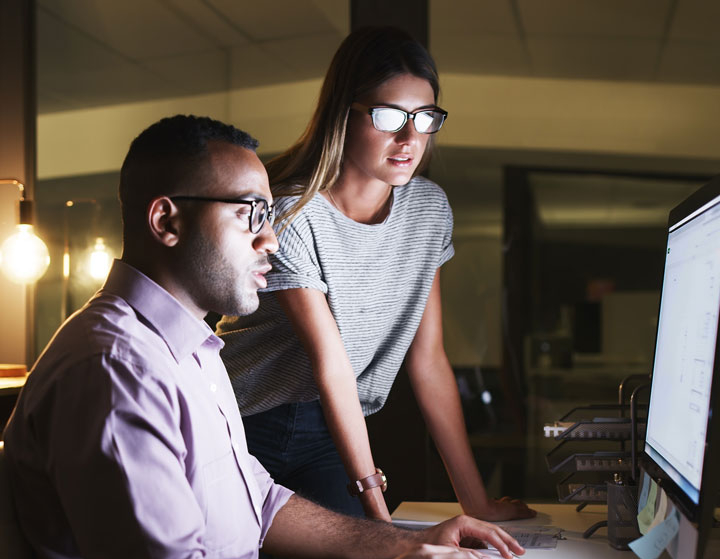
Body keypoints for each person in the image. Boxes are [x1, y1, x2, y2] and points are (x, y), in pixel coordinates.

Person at [2, 114, 525, 559]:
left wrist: (407, 543)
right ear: (167, 220)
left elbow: (263, 504)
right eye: (249, 213)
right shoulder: (115, 368)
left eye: (270, 215)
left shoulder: (189, 347)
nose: (271, 239)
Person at [217, 26, 536, 525]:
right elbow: (332, 364)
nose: (410, 138)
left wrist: (477, 504)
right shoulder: (294, 214)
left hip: (334, 428)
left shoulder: (428, 212)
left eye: (425, 118)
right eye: (389, 116)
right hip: (242, 419)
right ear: (344, 113)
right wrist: (378, 515)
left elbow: (428, 360)